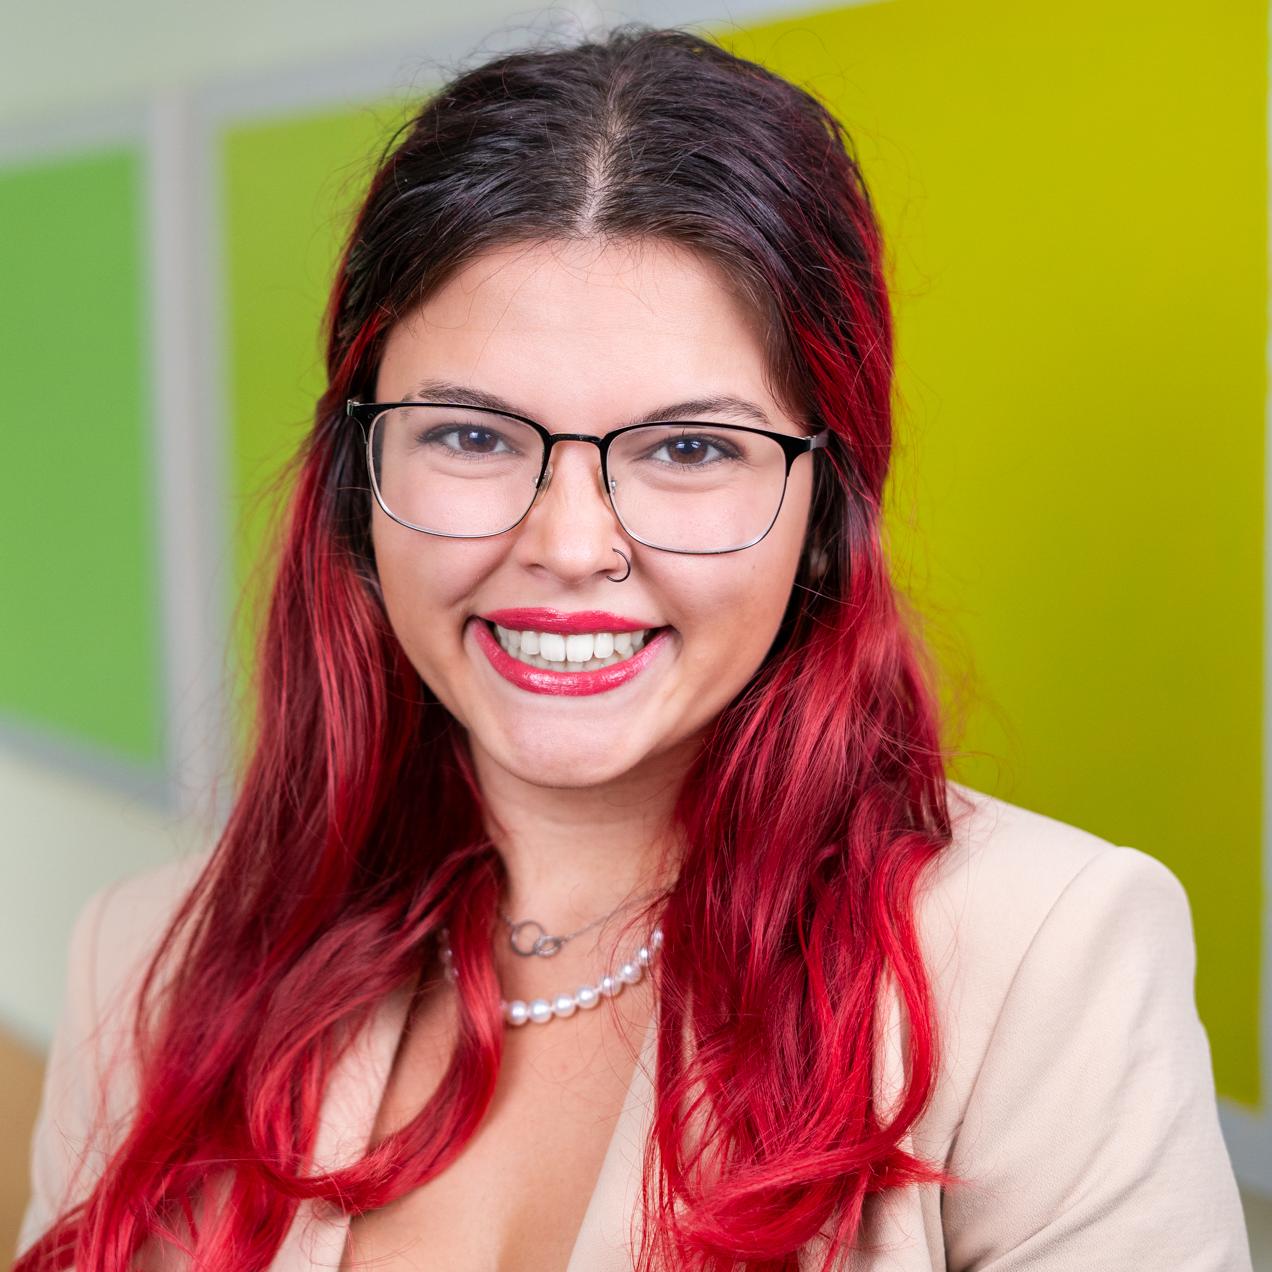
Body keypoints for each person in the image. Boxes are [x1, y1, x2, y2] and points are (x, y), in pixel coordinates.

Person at [15, 22, 1252, 1272]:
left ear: (826, 510)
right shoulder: (149, 962)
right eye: (473, 436)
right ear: (357, 483)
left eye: (690, 448)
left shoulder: (1044, 959)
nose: (569, 545)